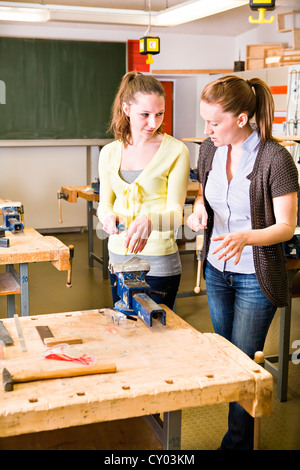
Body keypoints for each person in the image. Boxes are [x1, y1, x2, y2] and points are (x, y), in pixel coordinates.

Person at [187, 75, 299, 450]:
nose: (207, 130)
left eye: (214, 122)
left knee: (242, 363)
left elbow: (286, 226)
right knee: (226, 356)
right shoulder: (208, 151)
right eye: (205, 121)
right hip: (217, 270)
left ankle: (236, 444)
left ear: (242, 118)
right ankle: (238, 437)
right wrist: (198, 210)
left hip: (255, 274)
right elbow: (203, 195)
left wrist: (247, 236)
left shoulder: (275, 158)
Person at [97, 71, 190, 309]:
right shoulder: (109, 152)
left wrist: (151, 220)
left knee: (157, 333)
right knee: (125, 328)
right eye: (145, 115)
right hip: (119, 256)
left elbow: (176, 214)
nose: (153, 123)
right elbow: (105, 204)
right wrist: (107, 218)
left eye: (159, 114)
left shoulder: (177, 151)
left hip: (159, 260)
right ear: (126, 108)